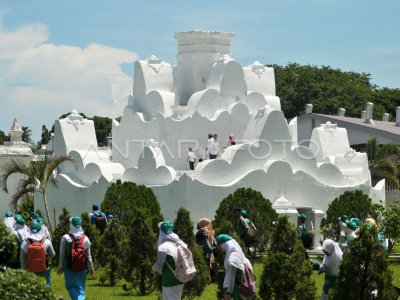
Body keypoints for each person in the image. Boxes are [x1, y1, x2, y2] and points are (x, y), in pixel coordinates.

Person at [57, 216, 95, 300]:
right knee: (80, 288)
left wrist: (60, 267)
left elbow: (62, 254)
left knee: (71, 287)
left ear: (71, 225)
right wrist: (91, 268)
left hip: (69, 268)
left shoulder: (65, 238)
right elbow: (88, 256)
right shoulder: (85, 238)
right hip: (82, 268)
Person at [152, 220, 184, 300]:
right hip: (180, 278)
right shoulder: (180, 242)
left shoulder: (164, 247)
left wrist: (153, 268)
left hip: (169, 280)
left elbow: (159, 266)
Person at [216, 234, 253, 300]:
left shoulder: (232, 258)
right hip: (242, 290)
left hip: (236, 291)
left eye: (219, 246)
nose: (220, 249)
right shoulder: (239, 255)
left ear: (224, 245)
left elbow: (231, 276)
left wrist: (229, 292)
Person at [20, 222, 55, 286]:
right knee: (46, 287)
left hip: (31, 270)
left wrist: (24, 272)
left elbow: (22, 261)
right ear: (41, 230)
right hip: (44, 269)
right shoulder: (46, 242)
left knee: (32, 288)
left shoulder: (25, 243)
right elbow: (53, 254)